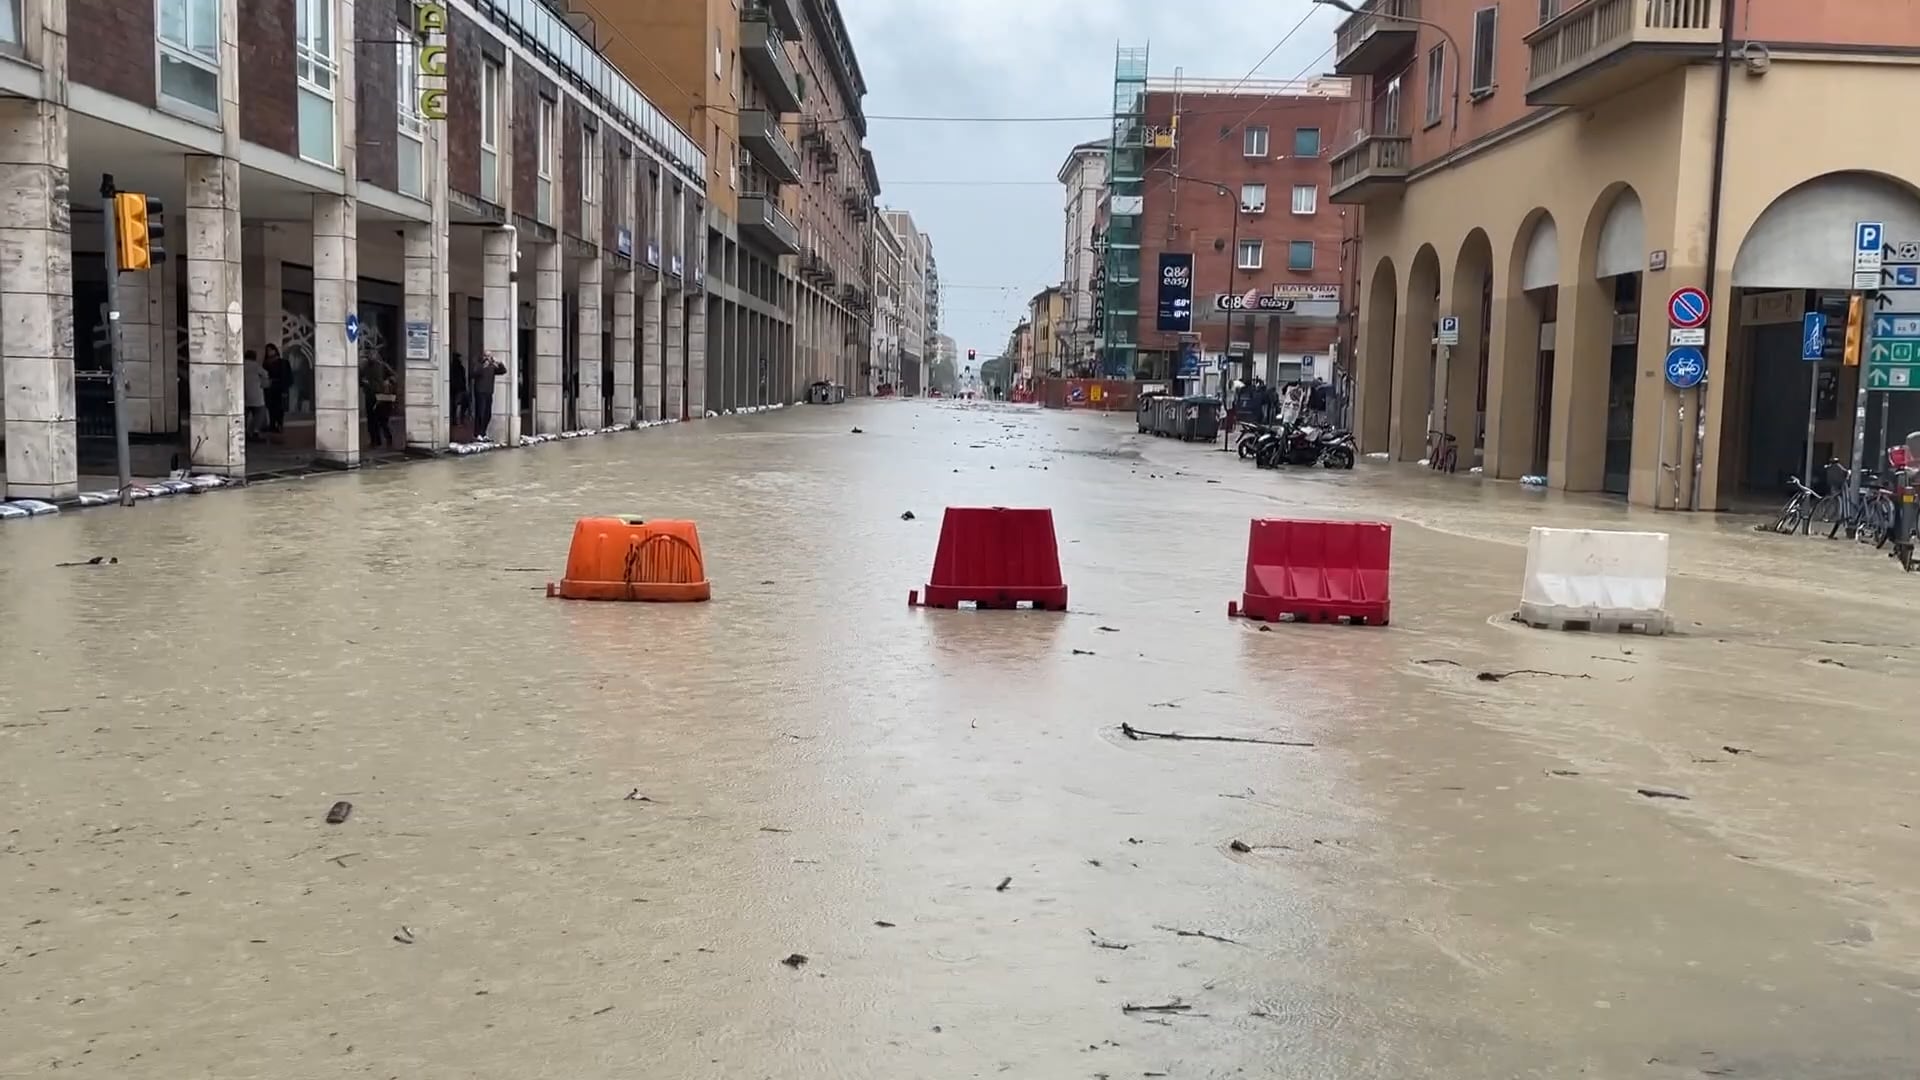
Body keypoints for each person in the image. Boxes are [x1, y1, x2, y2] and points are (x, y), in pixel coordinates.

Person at [469, 352, 505, 440]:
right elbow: (472, 374)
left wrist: (499, 363)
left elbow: (503, 371)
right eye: (486, 356)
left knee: (487, 414)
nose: (488, 358)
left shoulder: (492, 366)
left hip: (489, 392)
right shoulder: (479, 365)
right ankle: (477, 433)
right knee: (480, 413)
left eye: (490, 356)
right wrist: (483, 366)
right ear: (483, 356)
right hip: (480, 391)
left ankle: (483, 432)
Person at [262, 344, 292, 432]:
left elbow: (287, 376)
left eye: (271, 350)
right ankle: (272, 425)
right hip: (270, 388)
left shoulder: (283, 362)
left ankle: (279, 425)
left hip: (280, 387)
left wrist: (285, 388)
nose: (269, 352)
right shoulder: (266, 363)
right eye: (267, 350)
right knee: (271, 407)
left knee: (280, 408)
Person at [369, 371, 399, 448]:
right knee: (383, 423)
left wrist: (376, 404)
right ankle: (387, 439)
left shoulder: (386, 383)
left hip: (383, 406)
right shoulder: (392, 383)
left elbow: (384, 395)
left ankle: (386, 439)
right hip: (387, 405)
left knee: (382, 423)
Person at [243, 349, 267, 439]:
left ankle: (244, 430)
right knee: (259, 412)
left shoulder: (242, 365)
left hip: (243, 393)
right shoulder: (255, 366)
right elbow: (265, 374)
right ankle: (255, 430)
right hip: (256, 393)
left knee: (245, 413)